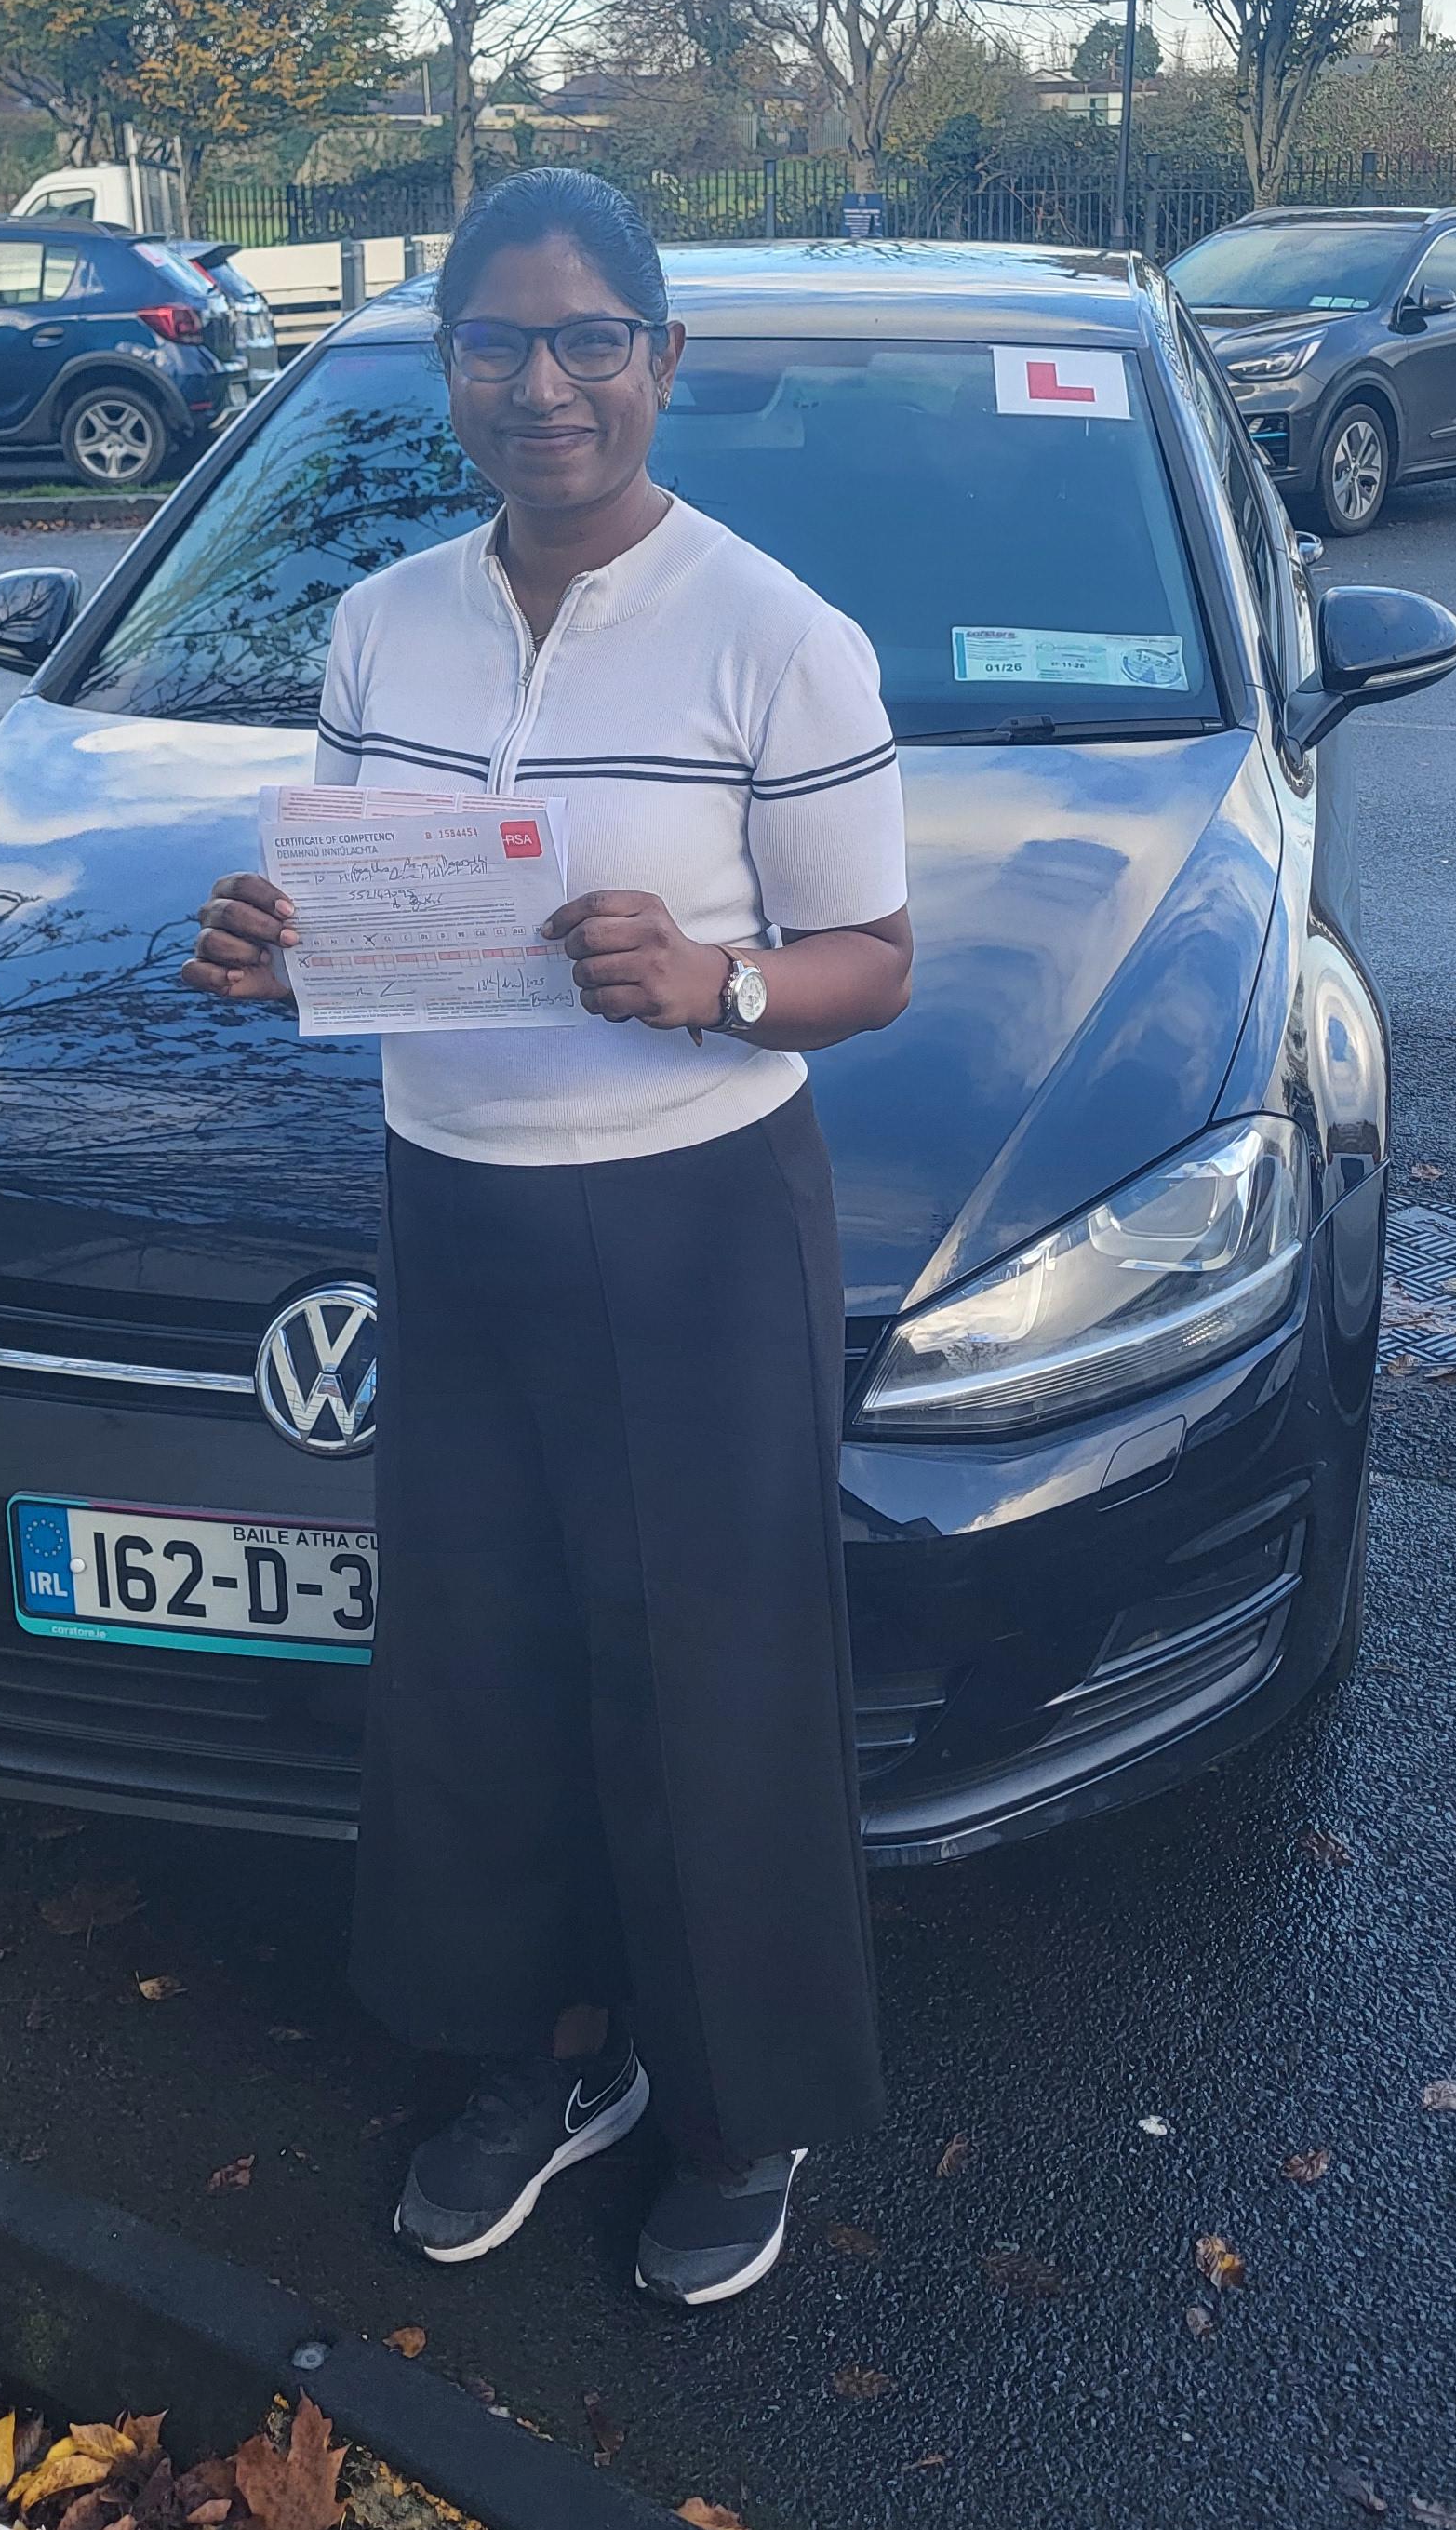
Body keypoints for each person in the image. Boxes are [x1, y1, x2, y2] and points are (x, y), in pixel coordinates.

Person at [186, 167, 913, 2309]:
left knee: (708, 1673)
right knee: (482, 1662)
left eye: (592, 336)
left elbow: (875, 958)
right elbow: (373, 922)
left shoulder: (778, 634)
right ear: (451, 369)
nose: (546, 382)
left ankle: (735, 2101)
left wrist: (716, 978)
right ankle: (540, 2053)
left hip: (696, 1220)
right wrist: (274, 951)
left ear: (663, 356)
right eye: (499, 340)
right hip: (456, 1197)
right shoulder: (382, 620)